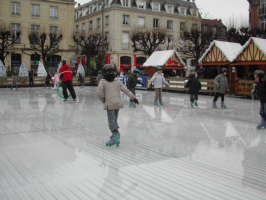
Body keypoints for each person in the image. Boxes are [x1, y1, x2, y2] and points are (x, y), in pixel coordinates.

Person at [96, 64, 139, 147]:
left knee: (111, 121)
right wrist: (133, 98)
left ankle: (116, 135)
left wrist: (103, 100)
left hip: (110, 104)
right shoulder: (117, 81)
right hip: (117, 104)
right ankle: (114, 135)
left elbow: (98, 93)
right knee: (114, 120)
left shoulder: (103, 81)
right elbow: (126, 90)